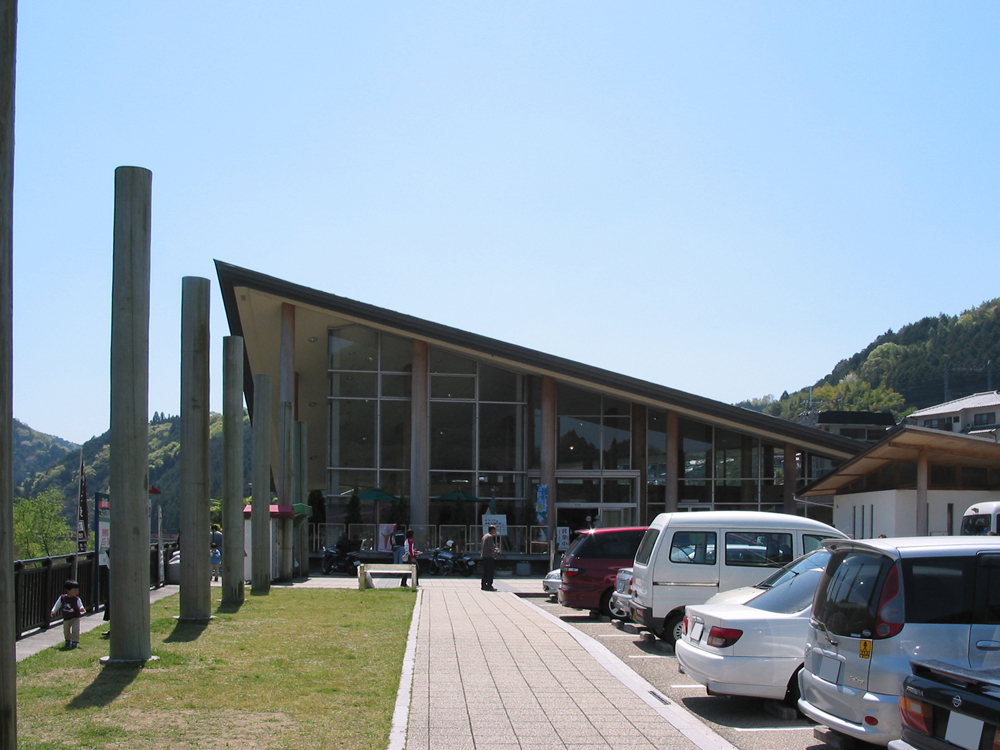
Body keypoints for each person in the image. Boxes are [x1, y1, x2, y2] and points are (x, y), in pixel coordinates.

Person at [51, 579, 85, 649]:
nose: (76, 592)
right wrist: (53, 611)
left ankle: (75, 641)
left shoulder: (77, 599)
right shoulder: (62, 598)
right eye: (74, 590)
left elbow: (80, 605)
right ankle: (68, 640)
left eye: (77, 590)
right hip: (66, 618)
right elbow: (57, 605)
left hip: (75, 617)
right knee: (66, 630)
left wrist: (81, 608)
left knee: (75, 629)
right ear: (68, 590)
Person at [481, 525, 499, 591]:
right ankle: (489, 585)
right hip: (489, 556)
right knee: (490, 571)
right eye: (495, 529)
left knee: (485, 571)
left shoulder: (485, 536)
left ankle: (483, 585)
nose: (496, 531)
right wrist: (496, 549)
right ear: (492, 530)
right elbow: (491, 546)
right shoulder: (490, 537)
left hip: (484, 555)